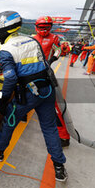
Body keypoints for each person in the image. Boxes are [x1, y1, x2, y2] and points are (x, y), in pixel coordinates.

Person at [0, 11, 68, 182]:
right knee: (50, 128)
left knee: (9, 120)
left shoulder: (6, 49)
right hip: (47, 90)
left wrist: (2, 101)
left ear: (4, 30)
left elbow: (11, 78)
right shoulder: (32, 40)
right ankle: (59, 167)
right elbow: (44, 63)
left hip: (28, 94)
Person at [34, 16, 70, 147]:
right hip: (32, 73)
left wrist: (51, 60)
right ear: (36, 27)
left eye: (47, 27)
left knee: (54, 106)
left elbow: (59, 50)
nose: (44, 30)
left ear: (50, 27)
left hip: (46, 73)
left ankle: (64, 136)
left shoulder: (54, 38)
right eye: (41, 27)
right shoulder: (33, 38)